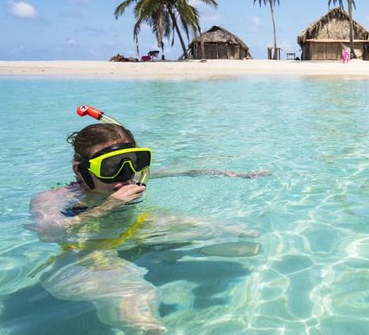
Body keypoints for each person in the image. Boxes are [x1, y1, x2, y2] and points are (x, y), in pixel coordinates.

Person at [30, 106, 266, 332]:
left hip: (139, 228)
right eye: (110, 167)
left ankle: (169, 253)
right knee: (138, 301)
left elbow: (184, 169)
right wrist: (107, 207)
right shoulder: (54, 199)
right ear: (79, 169)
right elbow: (49, 233)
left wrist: (236, 175)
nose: (124, 175)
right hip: (89, 251)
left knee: (236, 234)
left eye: (132, 162)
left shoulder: (131, 177)